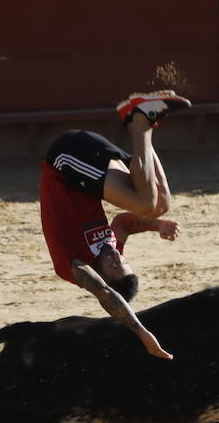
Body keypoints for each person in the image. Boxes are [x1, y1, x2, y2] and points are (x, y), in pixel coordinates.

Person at [39, 91, 191, 360]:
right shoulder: (111, 250)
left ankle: (139, 121)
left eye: (114, 264)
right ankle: (143, 121)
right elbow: (123, 223)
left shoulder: (73, 265)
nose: (116, 255)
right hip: (86, 170)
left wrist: (141, 332)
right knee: (160, 204)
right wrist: (157, 225)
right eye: (123, 259)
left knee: (145, 202)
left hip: (65, 163)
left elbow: (105, 294)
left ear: (102, 276)